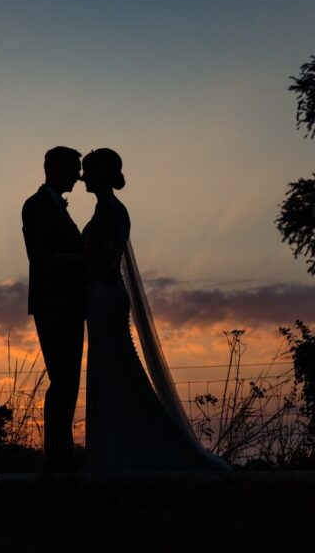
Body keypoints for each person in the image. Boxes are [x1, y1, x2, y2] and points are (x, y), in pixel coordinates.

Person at [81, 147, 228, 471]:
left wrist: (75, 268)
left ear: (99, 175)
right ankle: (119, 451)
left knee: (115, 371)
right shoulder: (107, 209)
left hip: (105, 295)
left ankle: (124, 455)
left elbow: (102, 262)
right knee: (112, 372)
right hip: (101, 296)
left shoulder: (110, 211)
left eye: (87, 172)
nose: (82, 178)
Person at [21, 146, 85, 473]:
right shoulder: (36, 207)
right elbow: (42, 258)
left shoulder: (55, 207)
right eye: (74, 168)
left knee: (68, 381)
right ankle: (58, 458)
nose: (79, 175)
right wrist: (86, 261)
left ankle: (61, 457)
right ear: (56, 168)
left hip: (69, 305)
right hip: (54, 304)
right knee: (63, 380)